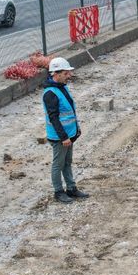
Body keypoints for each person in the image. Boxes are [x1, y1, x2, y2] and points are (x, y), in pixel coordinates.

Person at [42, 57, 89, 204]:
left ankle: (71, 188)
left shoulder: (62, 88)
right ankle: (58, 192)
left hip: (69, 135)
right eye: (66, 73)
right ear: (56, 73)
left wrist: (75, 130)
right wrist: (63, 138)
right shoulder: (50, 93)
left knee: (67, 162)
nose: (69, 76)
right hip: (59, 138)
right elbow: (54, 118)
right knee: (58, 164)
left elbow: (69, 112)